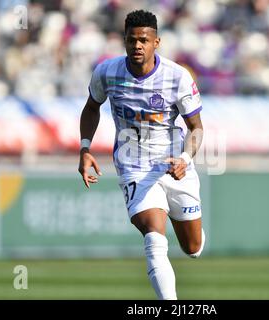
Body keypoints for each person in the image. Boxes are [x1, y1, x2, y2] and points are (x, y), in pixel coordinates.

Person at [78, 10, 205, 300]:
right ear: (124, 41)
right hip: (133, 166)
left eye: (144, 40)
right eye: (132, 40)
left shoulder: (177, 77)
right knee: (154, 236)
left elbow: (196, 128)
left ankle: (190, 232)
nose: (137, 45)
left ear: (156, 42)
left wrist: (185, 160)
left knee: (193, 248)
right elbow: (91, 107)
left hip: (175, 165)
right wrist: (85, 147)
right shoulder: (107, 72)